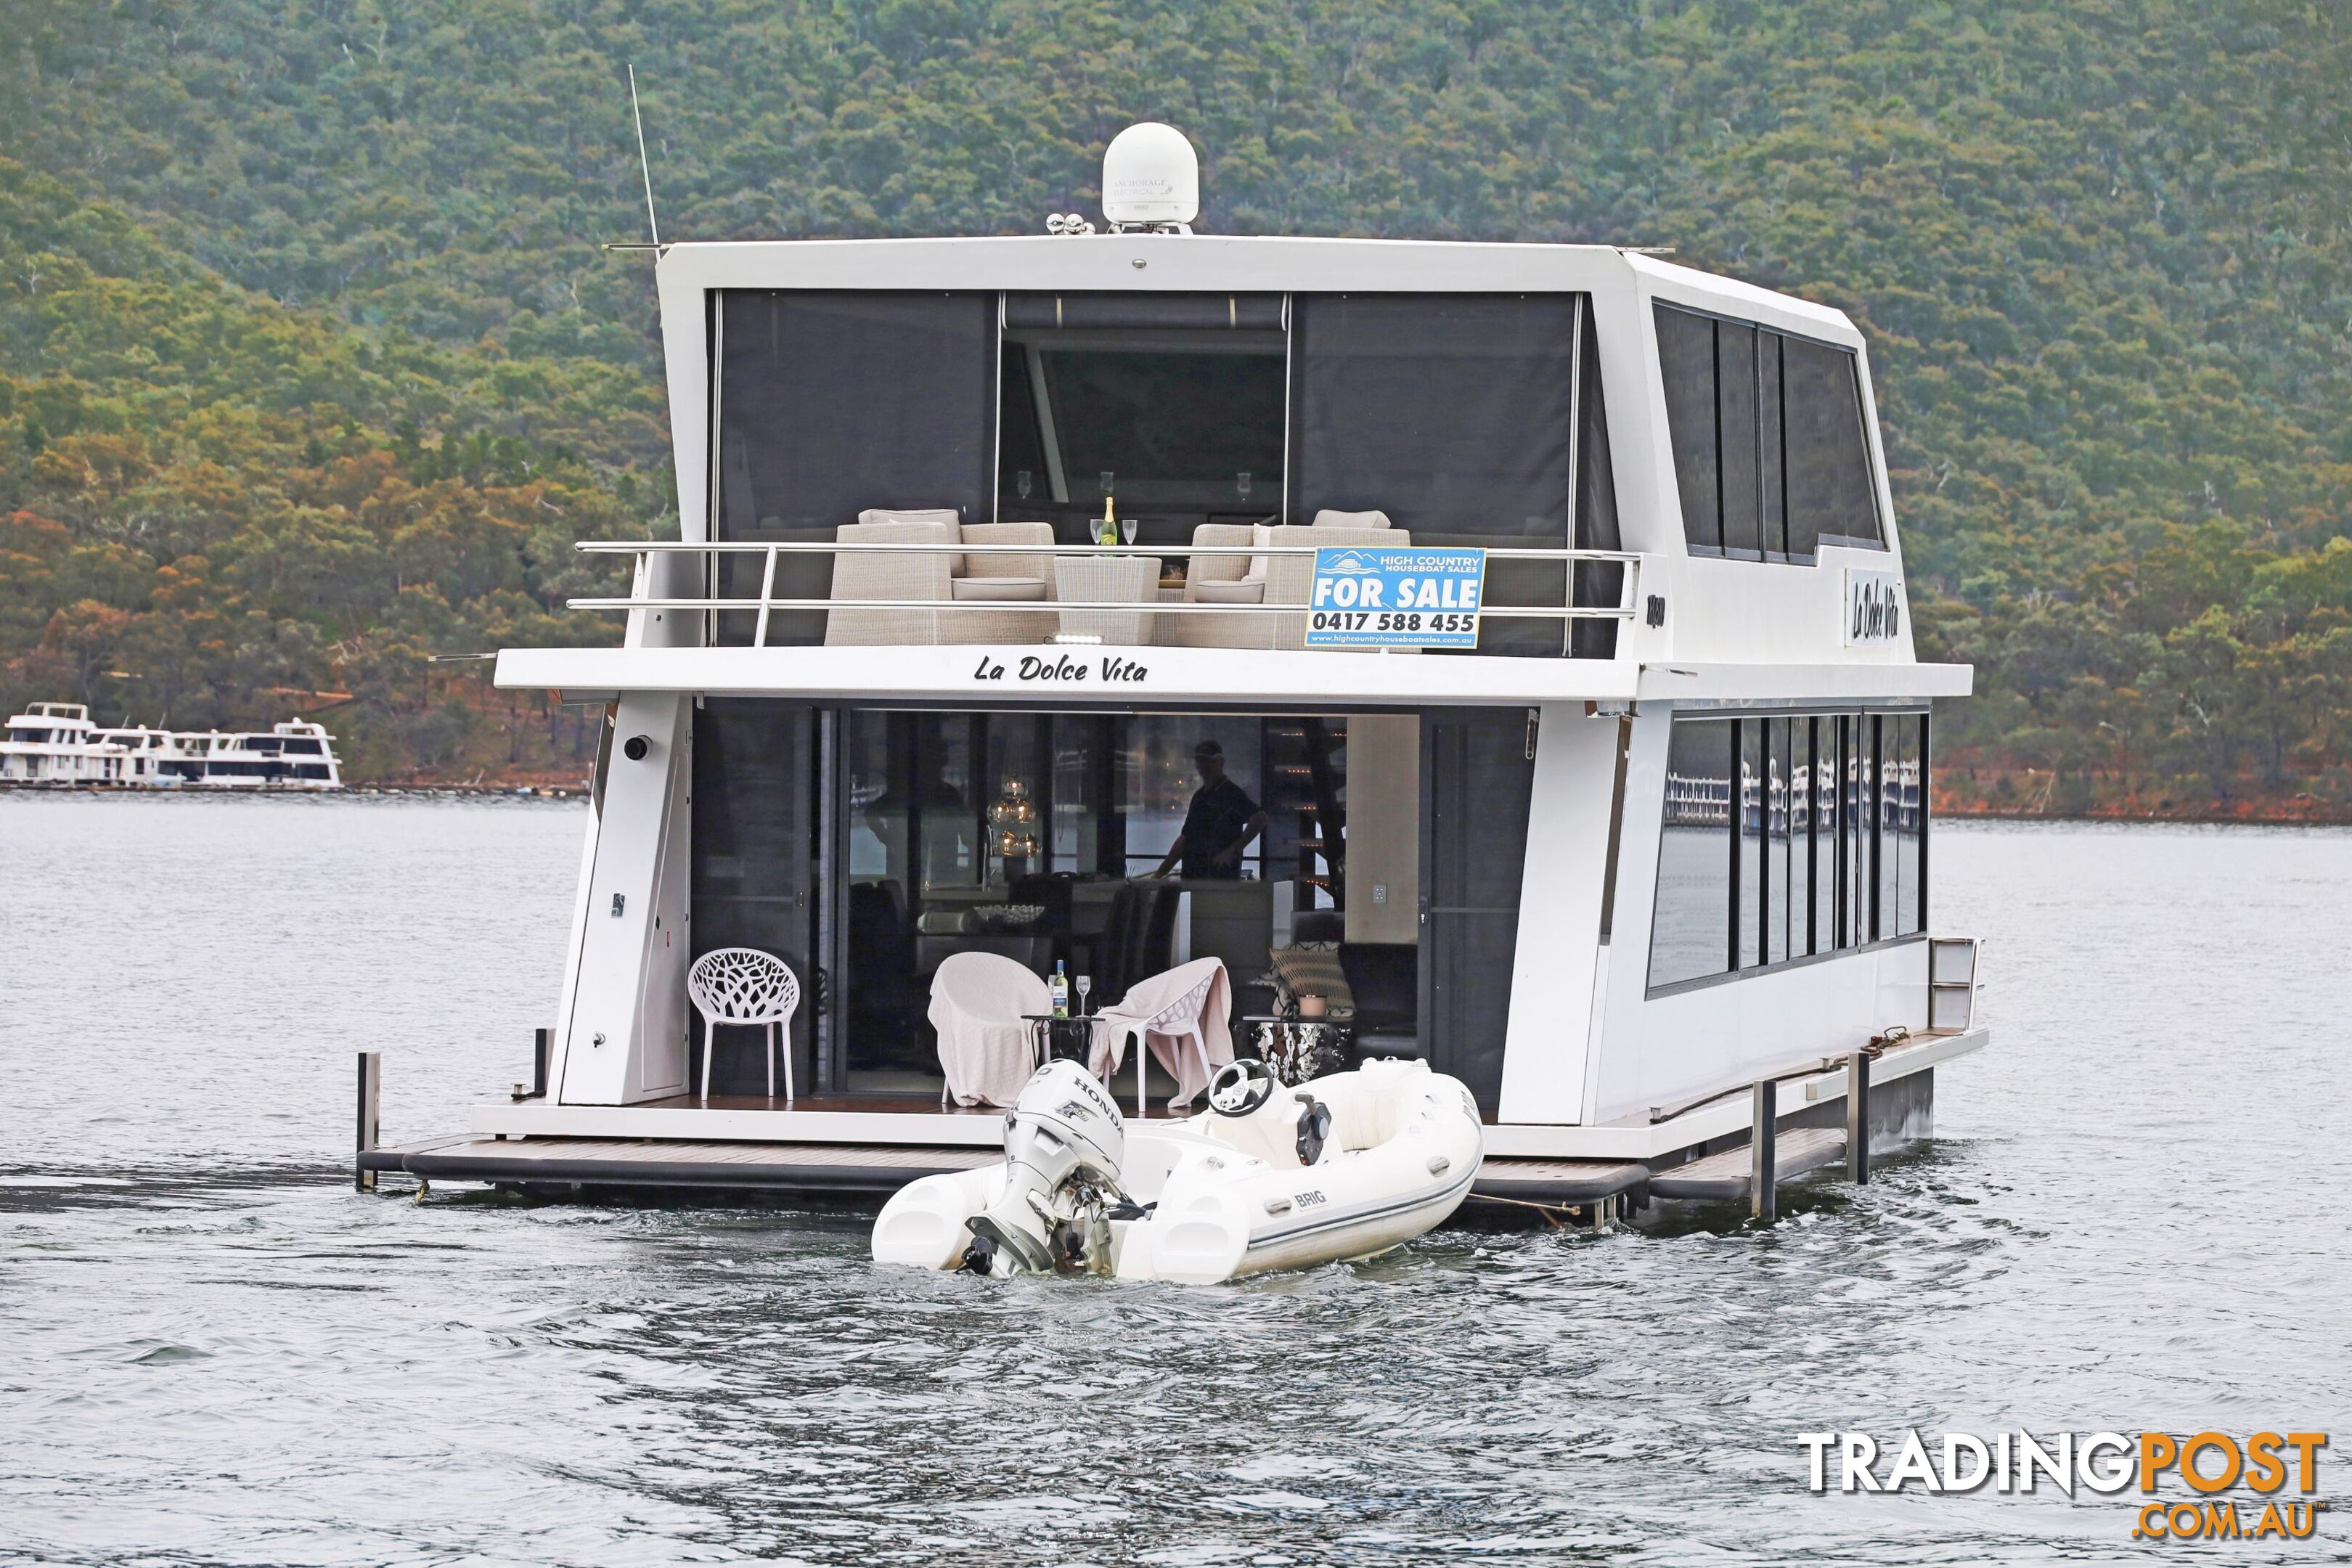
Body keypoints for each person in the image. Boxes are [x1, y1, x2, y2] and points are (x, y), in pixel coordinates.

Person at [1152, 739, 1267, 879]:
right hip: (1194, 877)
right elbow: (1186, 838)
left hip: (1219, 879)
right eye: (1200, 761)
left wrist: (1233, 850)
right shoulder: (1199, 796)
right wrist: (1159, 875)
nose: (1204, 765)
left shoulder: (1230, 793)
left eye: (1209, 760)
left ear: (1221, 762)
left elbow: (1260, 818)